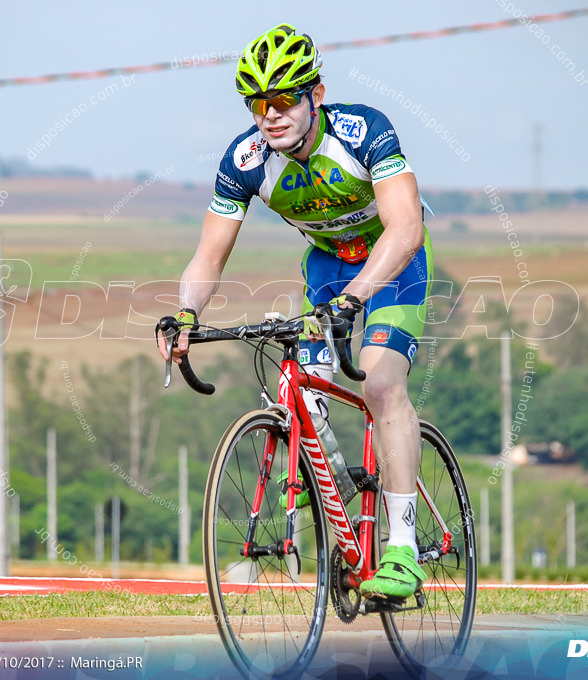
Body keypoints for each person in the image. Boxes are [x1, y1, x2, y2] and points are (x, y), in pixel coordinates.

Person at [156, 24, 434, 600]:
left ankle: (404, 550)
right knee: (299, 391)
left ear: (317, 96)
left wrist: (358, 298)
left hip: (391, 262)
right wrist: (184, 313)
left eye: (284, 99)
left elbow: (405, 228)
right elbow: (208, 255)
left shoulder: (363, 131)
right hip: (327, 268)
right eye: (257, 103)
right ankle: (322, 480)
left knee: (381, 383)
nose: (270, 115)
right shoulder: (246, 159)